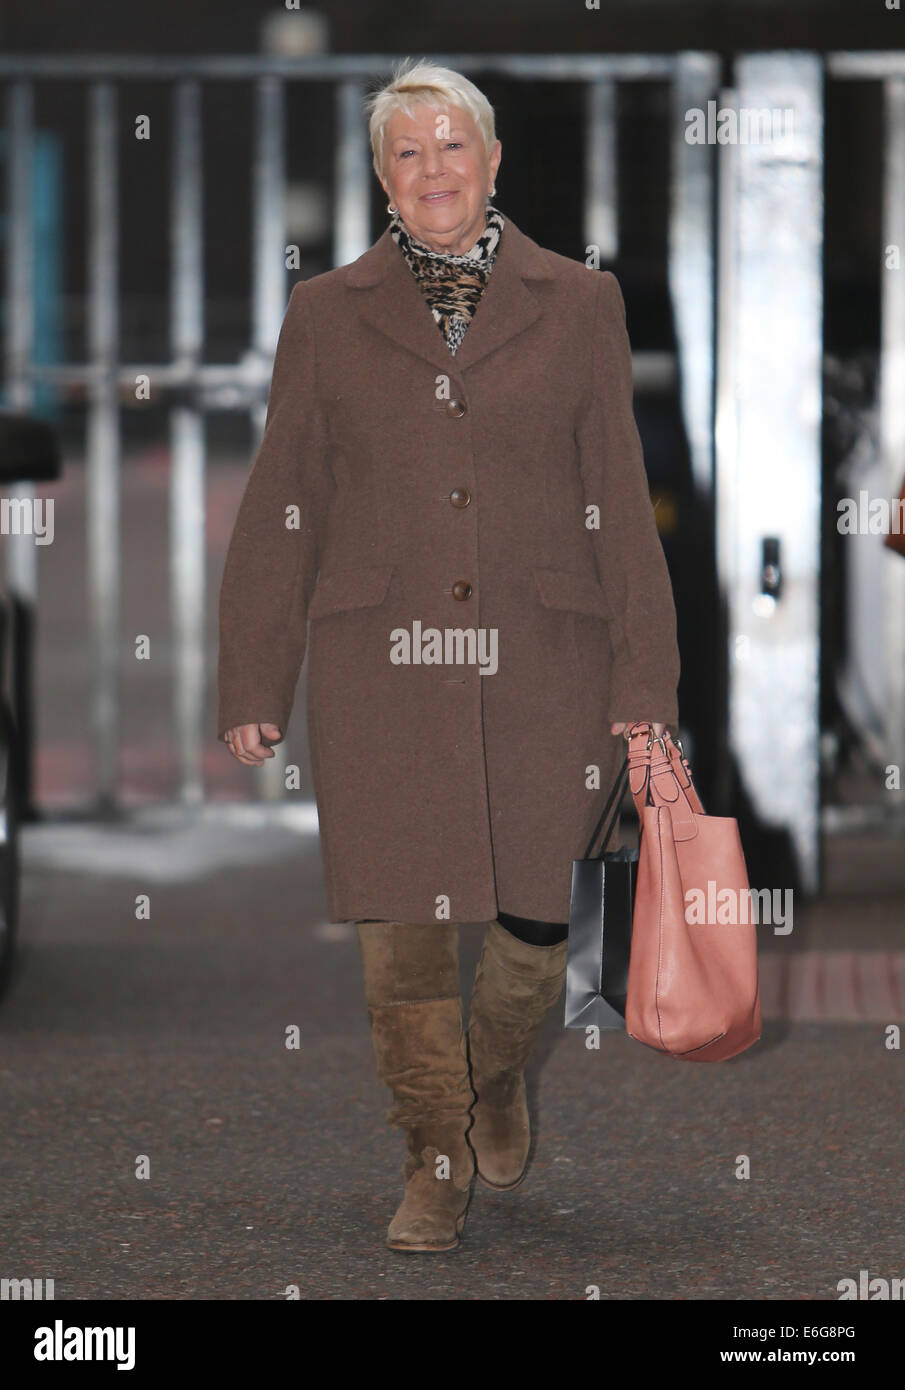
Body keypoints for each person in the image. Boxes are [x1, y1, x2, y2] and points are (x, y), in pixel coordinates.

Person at [217, 59, 679, 1253]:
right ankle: (431, 1156)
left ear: (492, 158)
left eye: (450, 145)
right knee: (401, 924)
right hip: (382, 660)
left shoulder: (580, 302)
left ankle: (494, 1075)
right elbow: (285, 505)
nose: (431, 170)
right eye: (405, 152)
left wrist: (645, 686)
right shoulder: (326, 314)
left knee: (536, 916)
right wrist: (253, 683)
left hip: (548, 657)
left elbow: (619, 502)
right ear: (382, 175)